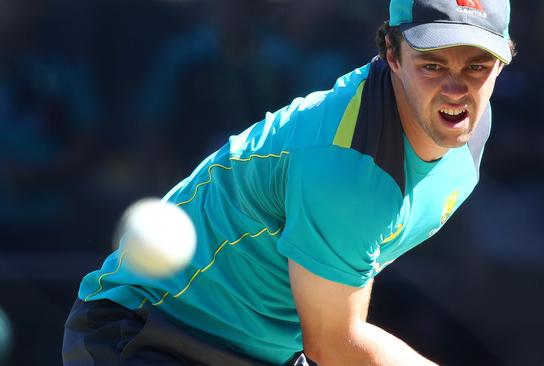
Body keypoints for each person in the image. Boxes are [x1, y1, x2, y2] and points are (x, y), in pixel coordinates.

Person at [63, 0, 515, 365]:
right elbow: (335, 345)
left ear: (504, 60)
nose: (456, 90)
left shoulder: (473, 129)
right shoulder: (345, 166)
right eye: (432, 65)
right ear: (392, 55)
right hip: (147, 332)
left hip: (263, 352)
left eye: (476, 66)